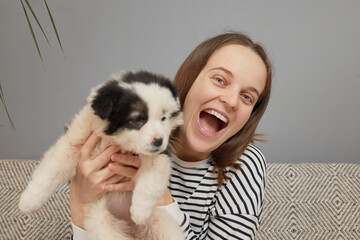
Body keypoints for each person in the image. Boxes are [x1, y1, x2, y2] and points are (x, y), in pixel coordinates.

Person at [70, 32, 272, 240]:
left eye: (247, 97)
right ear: (191, 78)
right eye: (220, 80)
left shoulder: (244, 164)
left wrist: (159, 195)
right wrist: (80, 205)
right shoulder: (130, 136)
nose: (231, 101)